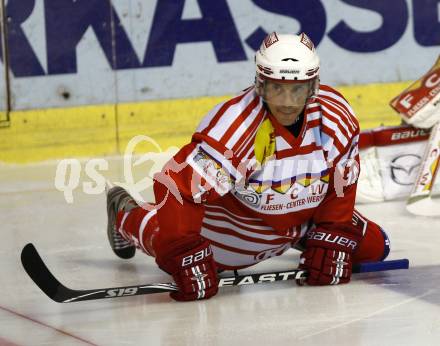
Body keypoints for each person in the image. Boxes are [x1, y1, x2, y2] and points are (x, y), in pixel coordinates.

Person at [106, 32, 390, 302]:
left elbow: (343, 180)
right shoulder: (236, 127)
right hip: (242, 224)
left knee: (377, 247)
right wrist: (184, 251)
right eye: (277, 88)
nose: (288, 103)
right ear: (260, 84)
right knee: (187, 262)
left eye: (298, 89)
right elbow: (176, 185)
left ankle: (305, 238)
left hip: (306, 217)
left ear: (313, 86)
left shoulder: (335, 116)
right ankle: (125, 213)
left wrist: (333, 232)